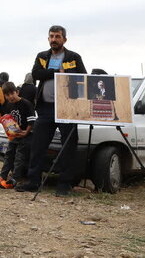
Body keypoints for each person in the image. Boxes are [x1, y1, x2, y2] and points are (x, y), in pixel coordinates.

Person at [16, 25, 86, 196]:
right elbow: (36, 74)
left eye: (58, 36)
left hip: (67, 108)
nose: (54, 39)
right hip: (45, 108)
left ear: (64, 39)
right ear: (48, 38)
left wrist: (62, 74)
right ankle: (33, 181)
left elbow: (83, 77)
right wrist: (57, 72)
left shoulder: (74, 57)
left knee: (68, 146)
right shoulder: (42, 56)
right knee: (38, 146)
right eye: (51, 36)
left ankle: (64, 184)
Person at [0, 81, 36, 189]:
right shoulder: (9, 105)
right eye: (7, 95)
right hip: (15, 135)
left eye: (12, 93)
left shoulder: (26, 103)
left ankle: (15, 179)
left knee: (19, 157)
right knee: (9, 155)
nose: (10, 97)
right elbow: (9, 119)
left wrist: (26, 132)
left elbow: (32, 120)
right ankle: (2, 177)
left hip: (26, 135)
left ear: (17, 92)